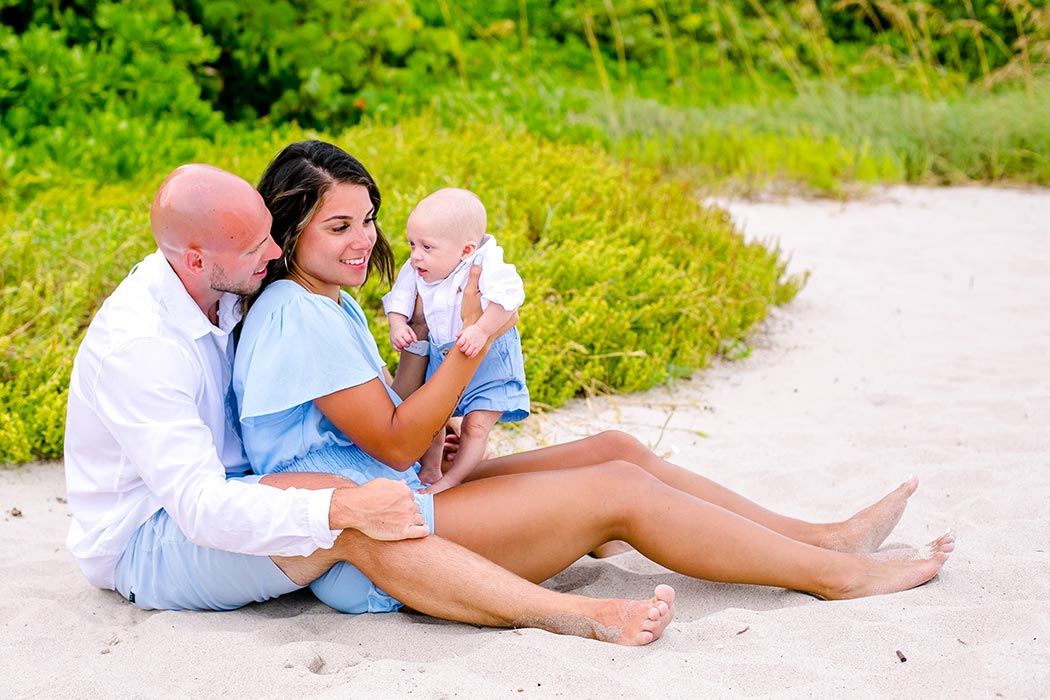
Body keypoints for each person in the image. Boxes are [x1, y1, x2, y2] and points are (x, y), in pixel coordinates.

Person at [233, 139, 954, 620]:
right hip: (373, 543)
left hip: (393, 489)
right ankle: (838, 576)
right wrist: (472, 343)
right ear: (290, 228)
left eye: (368, 219)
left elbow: (386, 421)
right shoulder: (296, 314)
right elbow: (392, 445)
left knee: (617, 448)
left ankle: (824, 540)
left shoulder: (328, 301)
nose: (364, 240)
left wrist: (433, 413)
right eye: (339, 227)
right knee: (620, 492)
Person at [63, 162, 678, 646]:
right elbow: (198, 508)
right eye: (257, 248)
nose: (274, 254)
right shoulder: (141, 346)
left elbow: (354, 413)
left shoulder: (228, 289)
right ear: (197, 259)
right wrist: (338, 506)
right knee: (347, 521)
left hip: (246, 488)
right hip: (150, 543)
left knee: (613, 457)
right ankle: (570, 614)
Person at [382, 187, 528, 493]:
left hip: (489, 360)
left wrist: (481, 329)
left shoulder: (486, 264)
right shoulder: (417, 268)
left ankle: (454, 478)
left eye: (427, 247)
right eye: (411, 244)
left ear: (465, 250)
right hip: (443, 355)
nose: (415, 255)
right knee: (431, 421)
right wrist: (397, 325)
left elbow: (509, 299)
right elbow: (400, 297)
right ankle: (431, 470)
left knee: (476, 427)